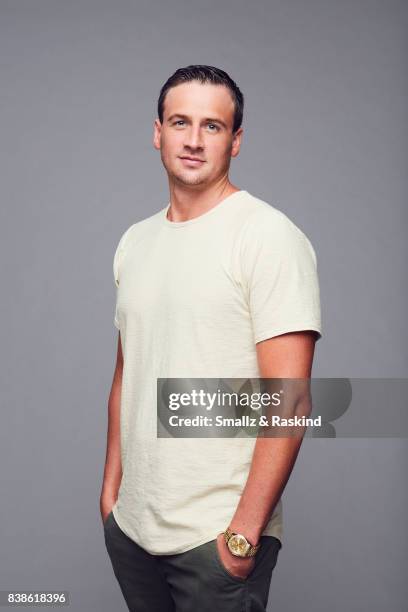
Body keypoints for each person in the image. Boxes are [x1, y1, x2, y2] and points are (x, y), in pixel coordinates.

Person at [99, 65, 322, 612]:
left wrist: (242, 537)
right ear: (158, 132)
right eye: (180, 122)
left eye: (213, 126)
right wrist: (112, 495)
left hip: (215, 539)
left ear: (236, 140)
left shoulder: (267, 237)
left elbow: (289, 401)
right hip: (133, 528)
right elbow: (129, 370)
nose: (194, 140)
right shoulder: (135, 241)